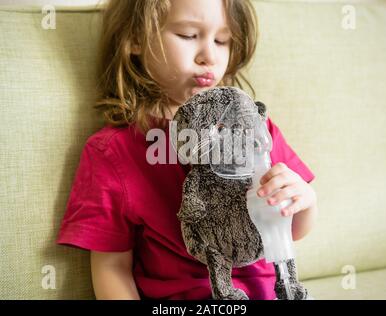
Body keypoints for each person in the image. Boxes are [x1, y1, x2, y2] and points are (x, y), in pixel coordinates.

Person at [56, 0, 318, 300]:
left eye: (222, 41)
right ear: (136, 39)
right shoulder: (114, 151)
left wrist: (304, 201)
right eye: (188, 35)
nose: (209, 56)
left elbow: (294, 229)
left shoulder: (256, 129)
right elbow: (111, 267)